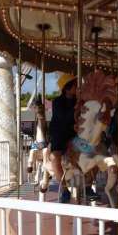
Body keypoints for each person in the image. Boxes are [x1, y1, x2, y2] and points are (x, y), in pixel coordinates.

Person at [48, 73, 77, 202]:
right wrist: (76, 107)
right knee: (55, 157)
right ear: (67, 88)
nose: (77, 87)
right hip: (59, 134)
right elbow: (64, 118)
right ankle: (64, 189)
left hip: (74, 134)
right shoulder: (57, 102)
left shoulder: (79, 100)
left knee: (92, 150)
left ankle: (88, 185)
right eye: (75, 85)